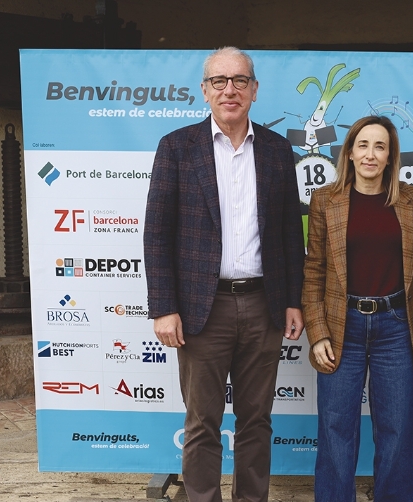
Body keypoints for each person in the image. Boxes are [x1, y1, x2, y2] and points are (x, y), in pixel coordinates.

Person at [143, 47, 305, 502]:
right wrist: (164, 307)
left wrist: (293, 300)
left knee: (257, 421)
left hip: (263, 305)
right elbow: (156, 233)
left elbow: (290, 233)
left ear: (254, 90)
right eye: (219, 81)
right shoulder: (177, 148)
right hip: (201, 309)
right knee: (202, 422)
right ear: (205, 90)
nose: (229, 89)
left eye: (239, 81)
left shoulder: (277, 150)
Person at [302, 115, 413, 502]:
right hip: (341, 325)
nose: (370, 154)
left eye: (380, 146)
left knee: (398, 431)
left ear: (391, 156)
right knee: (336, 430)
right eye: (363, 145)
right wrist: (317, 333)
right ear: (349, 153)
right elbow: (314, 270)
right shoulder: (325, 200)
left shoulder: (409, 199)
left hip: (396, 327)